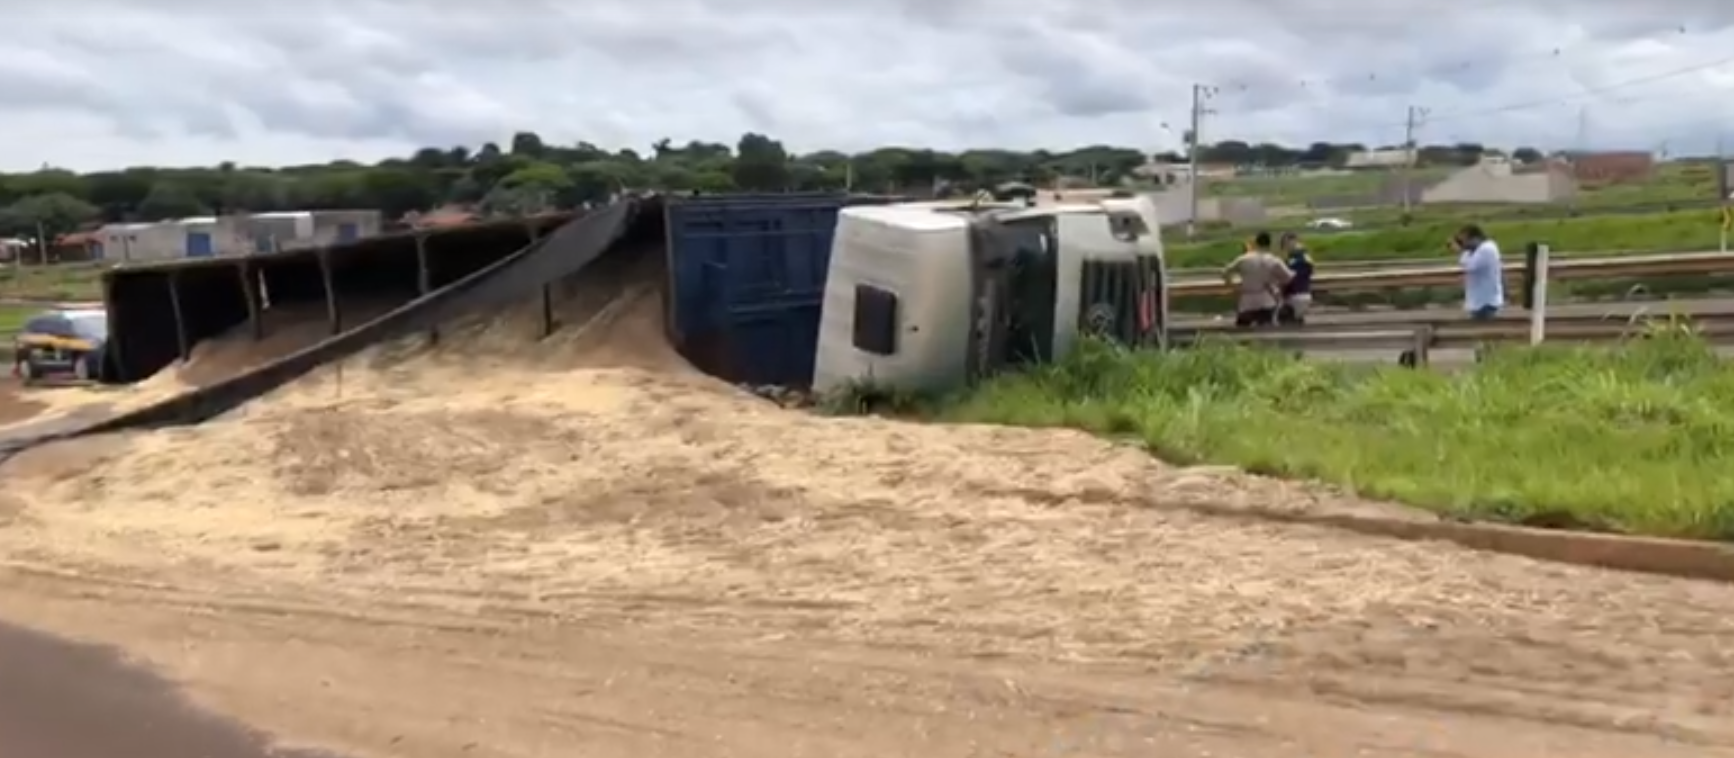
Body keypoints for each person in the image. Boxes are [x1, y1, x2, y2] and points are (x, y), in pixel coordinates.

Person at [1222, 231, 1294, 327]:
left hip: (1247, 300)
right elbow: (1288, 278)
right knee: (1266, 331)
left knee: (1243, 332)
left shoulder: (1244, 259)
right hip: (1266, 299)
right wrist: (1276, 286)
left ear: (1256, 243)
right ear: (1269, 244)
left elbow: (1225, 272)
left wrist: (1233, 287)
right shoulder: (1274, 260)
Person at [1456, 224, 1504, 320]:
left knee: (1485, 331)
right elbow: (1463, 262)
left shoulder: (1487, 249)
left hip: (1486, 301)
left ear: (1475, 238)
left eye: (1464, 240)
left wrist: (1461, 251)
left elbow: (1470, 266)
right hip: (1479, 300)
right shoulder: (1474, 251)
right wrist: (1464, 252)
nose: (1463, 244)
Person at [1277, 232, 1314, 325]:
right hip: (1303, 295)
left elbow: (1289, 279)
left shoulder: (1296, 259)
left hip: (1295, 296)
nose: (1285, 248)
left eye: (1286, 245)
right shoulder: (1305, 257)